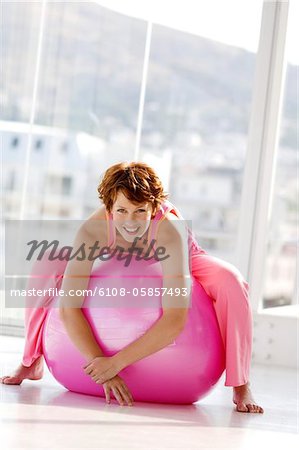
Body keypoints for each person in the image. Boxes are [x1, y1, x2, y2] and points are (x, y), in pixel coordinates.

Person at [0, 162, 264, 413]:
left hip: (181, 259)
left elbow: (175, 318)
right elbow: (70, 308)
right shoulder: (94, 230)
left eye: (140, 212)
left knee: (232, 280)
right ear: (109, 208)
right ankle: (30, 361)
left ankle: (241, 384)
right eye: (122, 211)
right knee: (46, 263)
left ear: (154, 207)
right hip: (114, 256)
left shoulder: (169, 231)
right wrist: (100, 366)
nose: (130, 222)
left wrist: (115, 364)